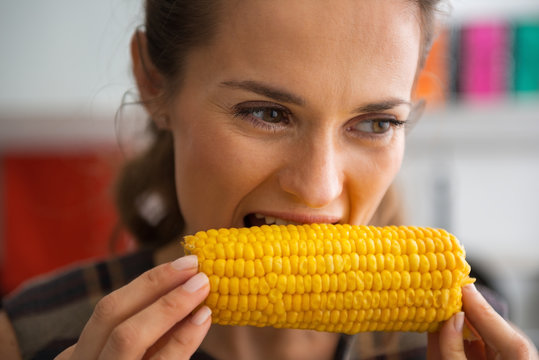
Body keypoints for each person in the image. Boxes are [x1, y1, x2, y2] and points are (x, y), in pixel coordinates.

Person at [1, 0, 537, 359]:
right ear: (152, 82)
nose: (319, 187)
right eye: (266, 113)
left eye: (376, 123)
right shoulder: (29, 335)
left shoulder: (470, 343)